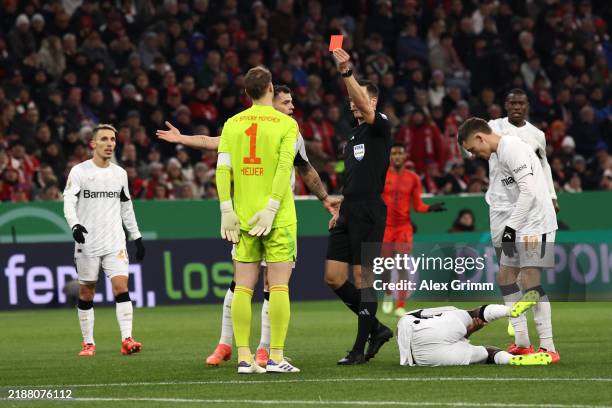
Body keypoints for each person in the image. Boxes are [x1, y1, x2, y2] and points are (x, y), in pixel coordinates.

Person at [157, 85, 340, 368]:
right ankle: (227, 344)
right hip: (270, 216)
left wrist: (325, 198)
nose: (292, 106)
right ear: (271, 101)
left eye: (292, 102)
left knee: (260, 284)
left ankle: (262, 350)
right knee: (248, 284)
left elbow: (305, 168)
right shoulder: (247, 127)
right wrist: (183, 139)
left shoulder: (291, 132)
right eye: (286, 102)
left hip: (252, 215)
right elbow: (212, 141)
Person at [215, 66, 299, 374]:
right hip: (278, 218)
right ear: (270, 89)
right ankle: (275, 356)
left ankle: (244, 357)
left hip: (243, 217)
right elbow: (283, 169)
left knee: (243, 288)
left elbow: (223, 170)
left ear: (246, 92)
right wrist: (273, 206)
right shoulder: (286, 124)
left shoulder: (232, 124)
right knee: (278, 287)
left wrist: (226, 209)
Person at [462, 89, 559, 347]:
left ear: (482, 138)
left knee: (530, 280)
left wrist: (510, 229)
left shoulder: (513, 148)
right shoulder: (498, 144)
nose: (475, 156)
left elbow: (528, 192)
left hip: (536, 220)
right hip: (514, 214)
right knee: (505, 277)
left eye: (474, 149)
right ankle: (522, 342)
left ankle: (548, 346)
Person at [324, 47, 393, 365]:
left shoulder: (380, 126)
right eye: (350, 98)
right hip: (349, 209)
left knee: (363, 278)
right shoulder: (352, 137)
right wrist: (340, 200)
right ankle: (377, 329)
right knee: (334, 277)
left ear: (373, 101)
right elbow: (358, 176)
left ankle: (358, 348)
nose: (352, 102)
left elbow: (364, 105)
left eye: (359, 98)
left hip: (369, 211)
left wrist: (346, 72)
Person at [63, 123, 146, 357]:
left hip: (115, 241)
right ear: (93, 144)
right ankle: (88, 343)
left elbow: (126, 207)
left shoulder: (119, 173)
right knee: (87, 292)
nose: (110, 143)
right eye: (104, 139)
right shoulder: (79, 171)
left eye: (112, 139)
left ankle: (127, 339)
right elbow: (69, 201)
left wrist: (136, 236)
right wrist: (75, 225)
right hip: (87, 242)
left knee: (121, 287)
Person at [397, 292, 552, 367]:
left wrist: (470, 331)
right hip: (419, 334)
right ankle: (510, 312)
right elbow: (442, 333)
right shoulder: (449, 311)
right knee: (475, 314)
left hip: (420, 358)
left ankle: (512, 359)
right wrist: (468, 329)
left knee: (487, 354)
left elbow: (445, 338)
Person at [381, 142, 446, 317]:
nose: (396, 157)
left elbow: (417, 205)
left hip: (403, 228)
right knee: (386, 267)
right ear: (390, 156)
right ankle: (388, 293)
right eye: (393, 153)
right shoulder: (382, 175)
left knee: (402, 266)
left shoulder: (413, 178)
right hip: (385, 228)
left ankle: (400, 303)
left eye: (399, 153)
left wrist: (430, 208)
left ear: (405, 156)